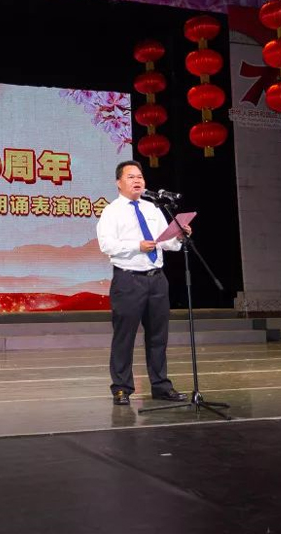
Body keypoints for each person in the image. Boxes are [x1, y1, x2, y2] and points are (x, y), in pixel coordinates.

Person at [96, 160, 190, 406]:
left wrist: (179, 237)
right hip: (129, 279)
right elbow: (107, 245)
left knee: (158, 336)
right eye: (131, 177)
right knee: (124, 336)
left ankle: (161, 386)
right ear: (118, 183)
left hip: (156, 279)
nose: (137, 180)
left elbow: (166, 243)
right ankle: (121, 388)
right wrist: (136, 246)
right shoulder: (111, 211)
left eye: (140, 176)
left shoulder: (152, 208)